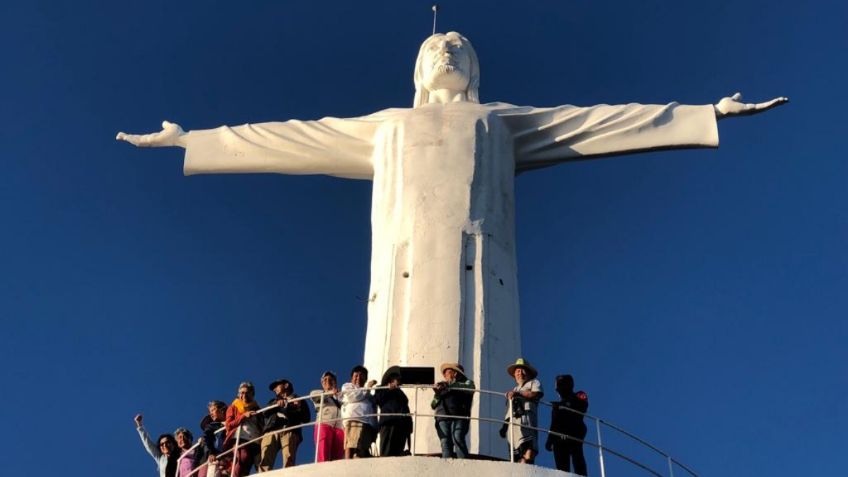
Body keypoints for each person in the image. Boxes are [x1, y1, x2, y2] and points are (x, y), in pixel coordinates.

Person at [118, 31, 786, 457]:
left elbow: (600, 122)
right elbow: (293, 135)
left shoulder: (501, 120)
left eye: (461, 49)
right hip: (398, 266)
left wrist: (704, 114)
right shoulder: (387, 125)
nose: (448, 55)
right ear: (418, 69)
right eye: (437, 49)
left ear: (476, 68)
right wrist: (194, 140)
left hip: (484, 261)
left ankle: (491, 441)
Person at [258, 378, 310, 471]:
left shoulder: (299, 400)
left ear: (286, 385)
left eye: (277, 386)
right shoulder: (272, 401)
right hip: (271, 431)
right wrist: (277, 404)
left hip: (290, 430)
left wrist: (289, 407)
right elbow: (265, 413)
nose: (274, 389)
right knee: (265, 460)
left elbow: (306, 418)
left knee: (288, 460)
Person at [502, 358, 544, 464]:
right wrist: (504, 426)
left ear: (528, 372)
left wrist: (519, 394)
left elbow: (536, 394)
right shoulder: (514, 390)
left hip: (527, 420)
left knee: (528, 453)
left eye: (522, 370)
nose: (519, 373)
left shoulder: (533, 383)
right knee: (516, 455)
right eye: (517, 371)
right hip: (514, 426)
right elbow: (508, 411)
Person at [546, 375, 589, 476]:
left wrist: (563, 406)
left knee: (577, 458)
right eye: (558, 387)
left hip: (575, 432)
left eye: (560, 385)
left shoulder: (579, 395)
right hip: (560, 437)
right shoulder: (557, 406)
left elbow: (582, 407)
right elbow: (554, 423)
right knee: (562, 466)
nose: (558, 390)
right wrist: (550, 439)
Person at [431, 362, 475, 459]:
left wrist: (450, 384)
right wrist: (437, 394)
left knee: (457, 437)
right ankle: (446, 467)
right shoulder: (443, 386)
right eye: (444, 373)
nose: (445, 375)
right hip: (442, 417)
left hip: (459, 417)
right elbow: (433, 405)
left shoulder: (467, 383)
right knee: (445, 442)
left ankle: (464, 465)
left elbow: (470, 388)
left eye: (447, 372)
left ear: (455, 373)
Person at [224, 381, 262, 476]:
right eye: (242, 393)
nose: (244, 395)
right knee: (243, 458)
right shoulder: (233, 407)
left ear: (252, 394)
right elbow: (228, 425)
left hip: (256, 440)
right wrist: (243, 416)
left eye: (246, 392)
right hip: (240, 438)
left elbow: (262, 424)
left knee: (254, 464)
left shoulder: (257, 409)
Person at [340, 365, 377, 458]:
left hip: (367, 423)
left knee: (363, 447)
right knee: (351, 444)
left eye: (362, 375)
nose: (358, 378)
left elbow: (373, 408)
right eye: (356, 375)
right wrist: (367, 388)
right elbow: (353, 397)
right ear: (351, 377)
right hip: (354, 418)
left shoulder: (367, 394)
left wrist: (375, 427)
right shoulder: (347, 386)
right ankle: (348, 465)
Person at [374, 367, 412, 456]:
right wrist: (388, 389)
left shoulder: (402, 394)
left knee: (398, 451)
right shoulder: (381, 388)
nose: (398, 380)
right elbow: (377, 399)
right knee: (386, 451)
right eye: (396, 378)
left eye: (399, 379)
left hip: (401, 424)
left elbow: (405, 408)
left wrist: (409, 425)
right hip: (388, 422)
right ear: (391, 378)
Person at [310, 371, 345, 462]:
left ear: (335, 382)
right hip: (324, 423)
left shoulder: (341, 397)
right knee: (323, 454)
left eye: (331, 379)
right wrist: (329, 393)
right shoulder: (318, 393)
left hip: (340, 427)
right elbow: (313, 395)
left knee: (338, 457)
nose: (328, 381)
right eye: (325, 380)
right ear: (322, 383)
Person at [196, 401, 228, 477]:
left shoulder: (230, 422)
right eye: (210, 411)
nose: (211, 413)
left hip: (227, 456)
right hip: (215, 457)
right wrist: (211, 453)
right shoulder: (211, 426)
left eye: (213, 410)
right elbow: (207, 438)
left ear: (222, 410)